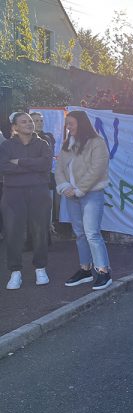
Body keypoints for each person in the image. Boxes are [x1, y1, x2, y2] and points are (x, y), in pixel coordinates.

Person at [55, 111, 113, 290]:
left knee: (92, 233)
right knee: (79, 233)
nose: (68, 127)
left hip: (91, 194)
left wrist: (79, 189)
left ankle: (103, 271)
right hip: (71, 195)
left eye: (71, 123)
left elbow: (97, 169)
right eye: (67, 124)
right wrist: (65, 187)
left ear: (81, 123)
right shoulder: (67, 143)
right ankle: (85, 269)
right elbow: (59, 168)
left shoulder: (97, 143)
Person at [0, 112, 52, 289]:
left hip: (39, 192)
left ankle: (40, 268)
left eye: (30, 121)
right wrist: (32, 165)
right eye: (24, 122)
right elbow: (3, 167)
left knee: (40, 231)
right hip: (13, 193)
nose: (29, 124)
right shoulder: (6, 146)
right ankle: (15, 272)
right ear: (14, 127)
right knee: (13, 232)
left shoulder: (43, 144)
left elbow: (45, 165)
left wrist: (19, 162)